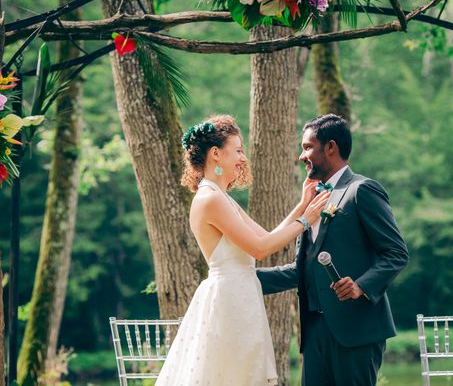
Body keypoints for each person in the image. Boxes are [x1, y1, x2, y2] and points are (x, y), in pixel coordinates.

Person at [155, 115, 330, 386]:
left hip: (241, 296)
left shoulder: (220, 197)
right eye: (237, 150)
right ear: (215, 154)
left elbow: (266, 236)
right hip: (229, 300)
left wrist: (302, 205)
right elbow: (260, 249)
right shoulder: (210, 198)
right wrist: (307, 219)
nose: (242, 158)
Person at [257, 114, 409, 386]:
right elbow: (305, 270)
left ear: (330, 147)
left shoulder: (362, 190)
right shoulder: (312, 200)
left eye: (307, 147)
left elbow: (396, 253)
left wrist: (361, 286)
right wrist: (246, 278)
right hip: (314, 332)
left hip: (356, 331)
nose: (302, 155)